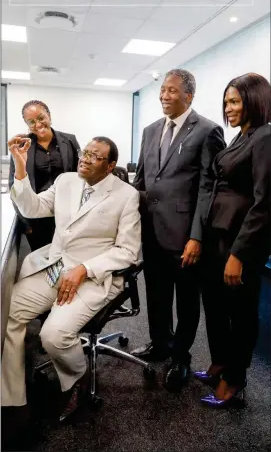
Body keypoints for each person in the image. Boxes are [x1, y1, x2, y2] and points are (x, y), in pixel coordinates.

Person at [2, 135, 141, 424]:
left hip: (91, 276)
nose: (85, 158)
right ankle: (11, 395)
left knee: (53, 335)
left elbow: (128, 251)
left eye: (94, 156)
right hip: (55, 267)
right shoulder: (66, 180)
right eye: (84, 152)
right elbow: (32, 208)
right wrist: (19, 168)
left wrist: (84, 270)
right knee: (8, 310)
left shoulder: (126, 195)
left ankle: (76, 378)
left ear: (111, 165)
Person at [131, 68, 226, 392]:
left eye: (171, 90)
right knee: (156, 294)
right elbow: (142, 181)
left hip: (186, 236)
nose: (164, 96)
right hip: (152, 231)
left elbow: (207, 189)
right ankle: (160, 344)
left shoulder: (207, 131)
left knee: (186, 301)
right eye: (162, 90)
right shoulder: (149, 130)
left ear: (189, 95)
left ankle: (181, 356)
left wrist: (197, 236)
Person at [195, 73, 271, 407]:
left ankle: (234, 380)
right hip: (218, 235)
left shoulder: (266, 137)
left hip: (240, 242)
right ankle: (221, 364)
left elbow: (264, 202)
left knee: (239, 313)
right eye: (226, 101)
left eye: (235, 101)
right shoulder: (242, 136)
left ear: (256, 100)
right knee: (215, 305)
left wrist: (239, 253)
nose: (229, 108)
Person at [8, 100, 80, 251]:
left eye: (41, 118)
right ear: (26, 124)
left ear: (49, 116)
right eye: (31, 121)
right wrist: (25, 222)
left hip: (68, 213)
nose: (38, 124)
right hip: (37, 217)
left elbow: (79, 176)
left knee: (69, 256)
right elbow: (14, 187)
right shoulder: (21, 147)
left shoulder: (69, 140)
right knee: (42, 260)